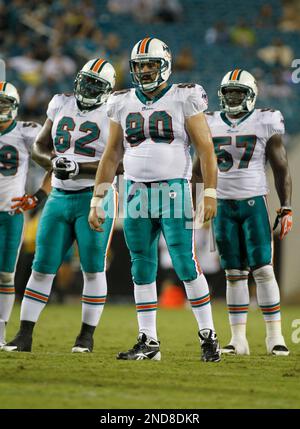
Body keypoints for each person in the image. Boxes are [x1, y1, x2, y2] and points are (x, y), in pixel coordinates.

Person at [89, 37, 221, 362]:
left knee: (184, 261)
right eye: (140, 65)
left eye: (151, 64)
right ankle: (148, 340)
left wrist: (209, 191)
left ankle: (208, 336)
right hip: (134, 190)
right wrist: (98, 198)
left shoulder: (184, 96)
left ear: (165, 64)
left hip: (173, 189)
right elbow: (111, 155)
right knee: (141, 266)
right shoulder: (121, 101)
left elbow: (205, 148)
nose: (145, 70)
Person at [4, 58, 117, 353]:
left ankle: (85, 337)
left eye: (96, 83)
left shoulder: (114, 111)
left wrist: (79, 168)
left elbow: (119, 163)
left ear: (107, 89)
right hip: (58, 196)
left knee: (93, 269)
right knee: (41, 267)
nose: (88, 87)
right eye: (85, 80)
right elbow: (40, 146)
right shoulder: (60, 103)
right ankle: (24, 335)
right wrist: (54, 162)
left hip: (95, 197)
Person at [194, 69, 292, 356]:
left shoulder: (265, 120)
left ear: (251, 95)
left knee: (262, 270)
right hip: (222, 205)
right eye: (229, 92)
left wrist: (285, 207)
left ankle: (274, 336)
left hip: (253, 204)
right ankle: (238, 339)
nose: (233, 97)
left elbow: (281, 167)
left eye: (239, 92)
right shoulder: (210, 122)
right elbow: (198, 169)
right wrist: (199, 202)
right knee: (233, 273)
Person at [0, 81, 48, 348]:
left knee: (5, 275)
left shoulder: (26, 132)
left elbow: (55, 163)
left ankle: (0, 334)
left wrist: (37, 196)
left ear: (14, 107)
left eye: (3, 103)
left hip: (10, 213)